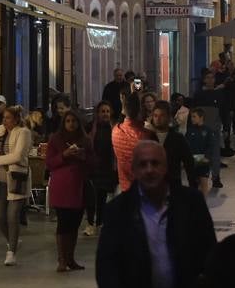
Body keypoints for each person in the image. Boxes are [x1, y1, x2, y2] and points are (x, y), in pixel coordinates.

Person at [96, 141, 216, 288]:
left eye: (155, 163)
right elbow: (107, 264)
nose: (149, 170)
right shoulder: (119, 210)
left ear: (165, 167)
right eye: (143, 164)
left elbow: (209, 255)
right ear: (133, 169)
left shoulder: (191, 203)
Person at [0, 104, 33, 265]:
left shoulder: (23, 133)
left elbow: (17, 155)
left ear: (16, 119)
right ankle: (12, 240)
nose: (5, 121)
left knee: (12, 216)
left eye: (8, 118)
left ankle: (11, 251)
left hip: (16, 180)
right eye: (4, 118)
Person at [45, 110, 91, 272]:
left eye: (74, 121)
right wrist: (64, 154)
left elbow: (93, 161)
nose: (71, 124)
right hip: (63, 186)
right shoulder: (55, 140)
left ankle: (71, 258)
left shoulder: (85, 140)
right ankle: (62, 259)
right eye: (68, 121)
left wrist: (82, 156)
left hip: (79, 186)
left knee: (75, 224)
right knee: (63, 223)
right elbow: (49, 162)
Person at [85, 101, 119, 236]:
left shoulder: (115, 128)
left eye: (107, 111)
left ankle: (99, 223)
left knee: (102, 197)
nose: (105, 114)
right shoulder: (91, 127)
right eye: (102, 111)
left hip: (107, 167)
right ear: (98, 113)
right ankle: (90, 223)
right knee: (91, 197)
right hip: (93, 167)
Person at [111, 90, 154, 191]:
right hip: (145, 186)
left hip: (125, 186)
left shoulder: (116, 130)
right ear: (141, 110)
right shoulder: (147, 134)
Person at [149, 100, 196, 187]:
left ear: (168, 117)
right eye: (155, 116)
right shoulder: (148, 138)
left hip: (173, 185)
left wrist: (193, 188)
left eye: (162, 115)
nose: (158, 119)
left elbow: (189, 163)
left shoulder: (178, 138)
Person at [189, 75, 225, 188]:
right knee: (199, 153)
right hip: (200, 129)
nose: (210, 80)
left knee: (215, 153)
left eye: (212, 78)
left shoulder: (218, 95)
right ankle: (200, 176)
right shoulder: (198, 95)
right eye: (208, 78)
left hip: (213, 129)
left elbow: (224, 111)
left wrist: (226, 127)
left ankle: (215, 177)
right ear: (204, 80)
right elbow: (193, 112)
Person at [183, 108, 214, 194]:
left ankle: (203, 205)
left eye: (194, 116)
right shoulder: (190, 130)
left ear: (201, 117)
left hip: (203, 161)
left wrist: (207, 157)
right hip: (192, 161)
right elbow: (186, 145)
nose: (192, 119)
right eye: (191, 117)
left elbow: (211, 146)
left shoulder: (208, 130)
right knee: (193, 185)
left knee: (204, 183)